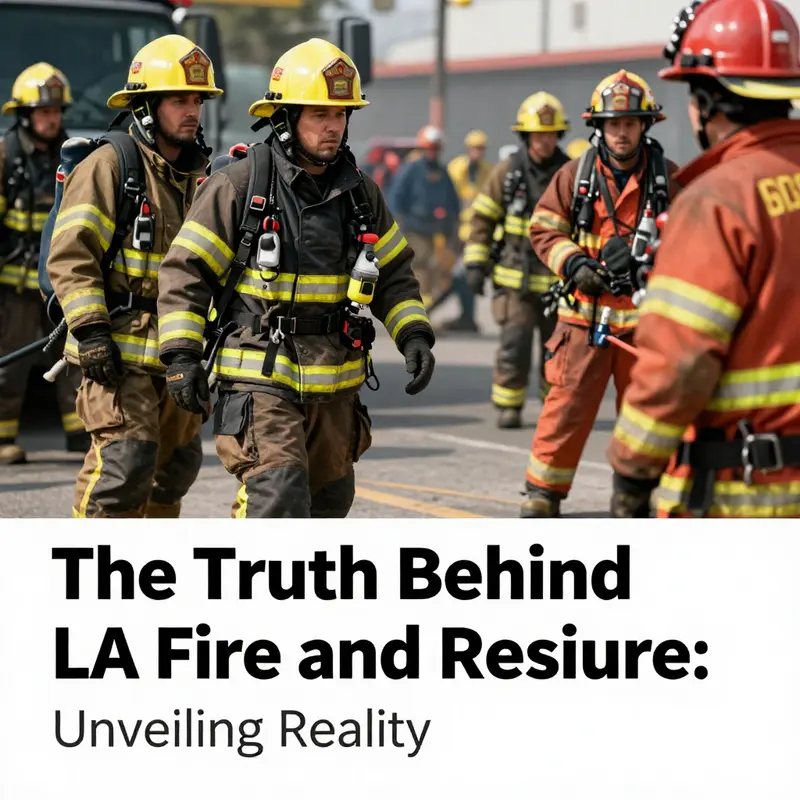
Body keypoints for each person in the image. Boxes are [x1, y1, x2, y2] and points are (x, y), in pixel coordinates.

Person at [156, 38, 436, 519]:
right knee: (279, 496)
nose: (333, 127)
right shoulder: (240, 186)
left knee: (329, 504)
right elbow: (187, 271)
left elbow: (393, 274)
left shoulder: (361, 195)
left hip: (336, 382)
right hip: (259, 377)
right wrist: (181, 354)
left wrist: (412, 332)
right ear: (285, 118)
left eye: (341, 114)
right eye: (319, 114)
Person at [608, 0, 800, 518]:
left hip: (746, 495)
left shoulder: (718, 200)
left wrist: (632, 469)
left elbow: (680, 363)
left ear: (708, 100)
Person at [45, 34, 222, 517]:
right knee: (124, 467)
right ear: (146, 107)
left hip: (176, 354)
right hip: (116, 352)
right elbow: (70, 255)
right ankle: (89, 573)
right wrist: (91, 330)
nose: (192, 111)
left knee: (176, 469)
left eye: (197, 100)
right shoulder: (110, 166)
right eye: (179, 100)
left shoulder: (201, 178)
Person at [521, 70, 680, 517]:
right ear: (599, 126)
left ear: (645, 125)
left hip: (644, 325)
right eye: (614, 124)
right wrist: (574, 264)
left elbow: (692, 242)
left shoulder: (669, 179)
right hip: (583, 318)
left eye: (630, 123)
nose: (622, 131)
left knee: (645, 416)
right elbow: (544, 229)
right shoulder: (575, 176)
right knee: (567, 407)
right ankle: (542, 493)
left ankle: (634, 495)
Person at [464, 92, 570, 428]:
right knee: (515, 344)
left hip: (559, 283)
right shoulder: (507, 173)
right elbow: (482, 219)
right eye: (538, 135)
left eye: (550, 135)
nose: (544, 142)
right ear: (525, 136)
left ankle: (553, 409)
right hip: (515, 280)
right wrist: (475, 264)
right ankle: (509, 405)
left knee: (558, 350)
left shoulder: (570, 174)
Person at [0, 63, 86, 465]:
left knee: (72, 356)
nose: (52, 120)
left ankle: (79, 434)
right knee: (11, 364)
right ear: (25, 114)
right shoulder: (6, 157)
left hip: (60, 283)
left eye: (56, 112)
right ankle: (3, 439)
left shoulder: (76, 158)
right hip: (14, 285)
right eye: (43, 112)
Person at [387, 125, 461, 308]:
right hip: (415, 229)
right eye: (429, 148)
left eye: (436, 148)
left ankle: (426, 308)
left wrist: (452, 223)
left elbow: (453, 202)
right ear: (422, 148)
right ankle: (418, 309)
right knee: (420, 267)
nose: (433, 152)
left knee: (438, 269)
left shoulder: (442, 172)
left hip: (438, 231)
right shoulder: (411, 170)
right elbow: (396, 199)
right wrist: (401, 225)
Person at [446, 130, 493, 332]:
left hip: (475, 231)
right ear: (468, 149)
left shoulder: (489, 171)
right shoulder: (456, 168)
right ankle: (465, 316)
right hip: (456, 230)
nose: (477, 153)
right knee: (453, 275)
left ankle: (467, 316)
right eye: (474, 148)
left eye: (481, 149)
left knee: (467, 274)